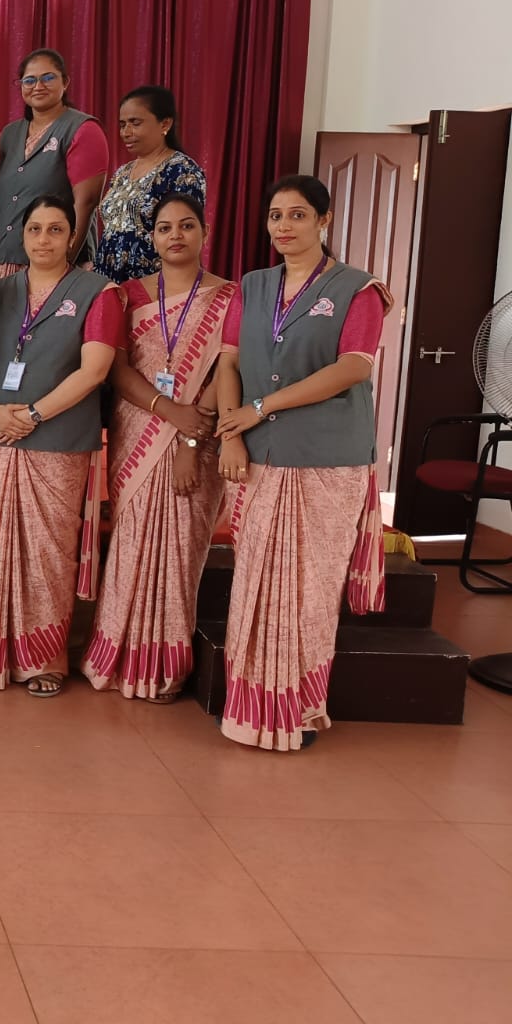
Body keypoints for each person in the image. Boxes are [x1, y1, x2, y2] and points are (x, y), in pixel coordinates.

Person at [213, 174, 391, 751]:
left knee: (309, 589)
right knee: (255, 583)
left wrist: (262, 407)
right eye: (275, 216)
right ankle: (249, 708)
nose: (283, 226)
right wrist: (231, 433)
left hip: (327, 459)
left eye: (297, 215)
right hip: (259, 455)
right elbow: (228, 362)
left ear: (323, 219)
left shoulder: (359, 289)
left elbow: (353, 367)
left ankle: (298, 708)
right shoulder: (253, 285)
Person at [0, 193, 123, 695]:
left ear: (72, 236)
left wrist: (33, 416)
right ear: (22, 234)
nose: (44, 239)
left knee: (48, 552)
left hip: (57, 442)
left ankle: (44, 659)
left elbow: (94, 371)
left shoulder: (99, 293)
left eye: (56, 229)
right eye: (35, 229)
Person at [83, 194, 234, 702]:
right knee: (130, 544)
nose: (176, 236)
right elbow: (117, 368)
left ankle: (162, 667)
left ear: (204, 232)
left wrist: (190, 436)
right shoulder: (128, 295)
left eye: (187, 226)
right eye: (165, 227)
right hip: (139, 427)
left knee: (182, 551)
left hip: (199, 434)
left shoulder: (229, 297)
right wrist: (168, 410)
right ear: (151, 237)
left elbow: (227, 369)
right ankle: (114, 656)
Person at [0, 49, 109, 276]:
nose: (38, 86)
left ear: (65, 82)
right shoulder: (9, 134)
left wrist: (63, 264)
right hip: (5, 260)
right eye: (29, 80)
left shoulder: (83, 129)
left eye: (47, 78)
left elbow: (86, 203)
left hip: (57, 262)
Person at [92, 86, 208, 283]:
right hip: (107, 283)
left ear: (165, 124)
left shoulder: (182, 170)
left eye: (135, 123)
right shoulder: (122, 172)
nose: (126, 132)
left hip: (155, 286)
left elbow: (187, 235)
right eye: (122, 125)